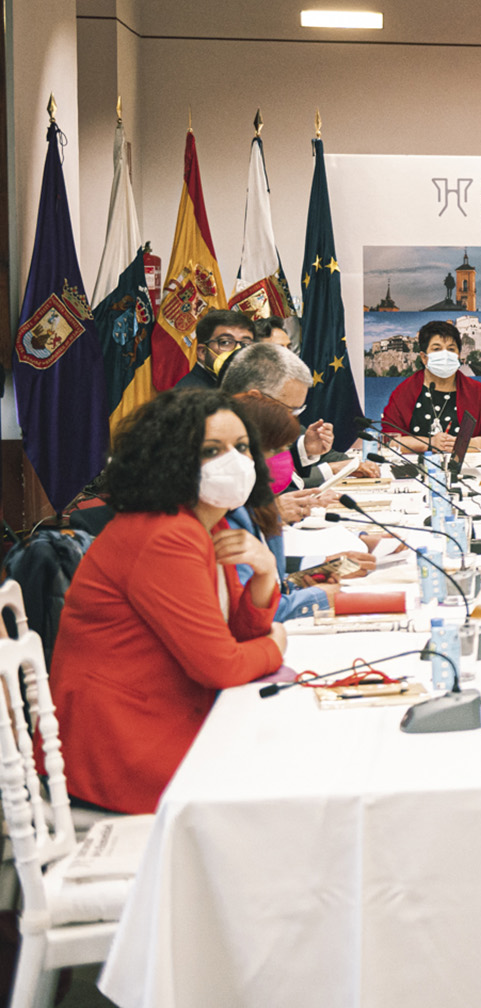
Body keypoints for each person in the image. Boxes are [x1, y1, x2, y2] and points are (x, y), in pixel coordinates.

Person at [50, 389, 288, 814]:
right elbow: (221, 666)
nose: (234, 461)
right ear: (171, 457)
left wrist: (265, 572)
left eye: (242, 447)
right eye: (212, 450)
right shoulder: (166, 535)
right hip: (127, 745)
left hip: (161, 722)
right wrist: (276, 646)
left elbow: (234, 632)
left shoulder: (202, 523)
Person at [227, 391, 373, 620]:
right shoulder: (231, 515)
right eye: (276, 450)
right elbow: (254, 611)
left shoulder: (255, 503)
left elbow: (273, 578)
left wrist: (320, 568)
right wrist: (320, 596)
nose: (285, 458)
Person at [222, 342, 337, 522]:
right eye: (289, 410)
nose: (292, 420)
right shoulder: (212, 442)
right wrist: (268, 513)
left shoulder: (253, 429)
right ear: (255, 398)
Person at [380, 319, 481, 453]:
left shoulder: (476, 391)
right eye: (437, 349)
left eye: (451, 349)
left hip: (467, 470)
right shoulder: (404, 391)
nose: (445, 354)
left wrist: (466, 444)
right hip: (416, 470)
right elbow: (389, 439)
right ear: (424, 357)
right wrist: (429, 443)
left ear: (459, 355)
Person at [171, 309, 253, 390]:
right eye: (225, 342)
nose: (238, 351)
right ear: (202, 352)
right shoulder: (191, 395)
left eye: (245, 344)